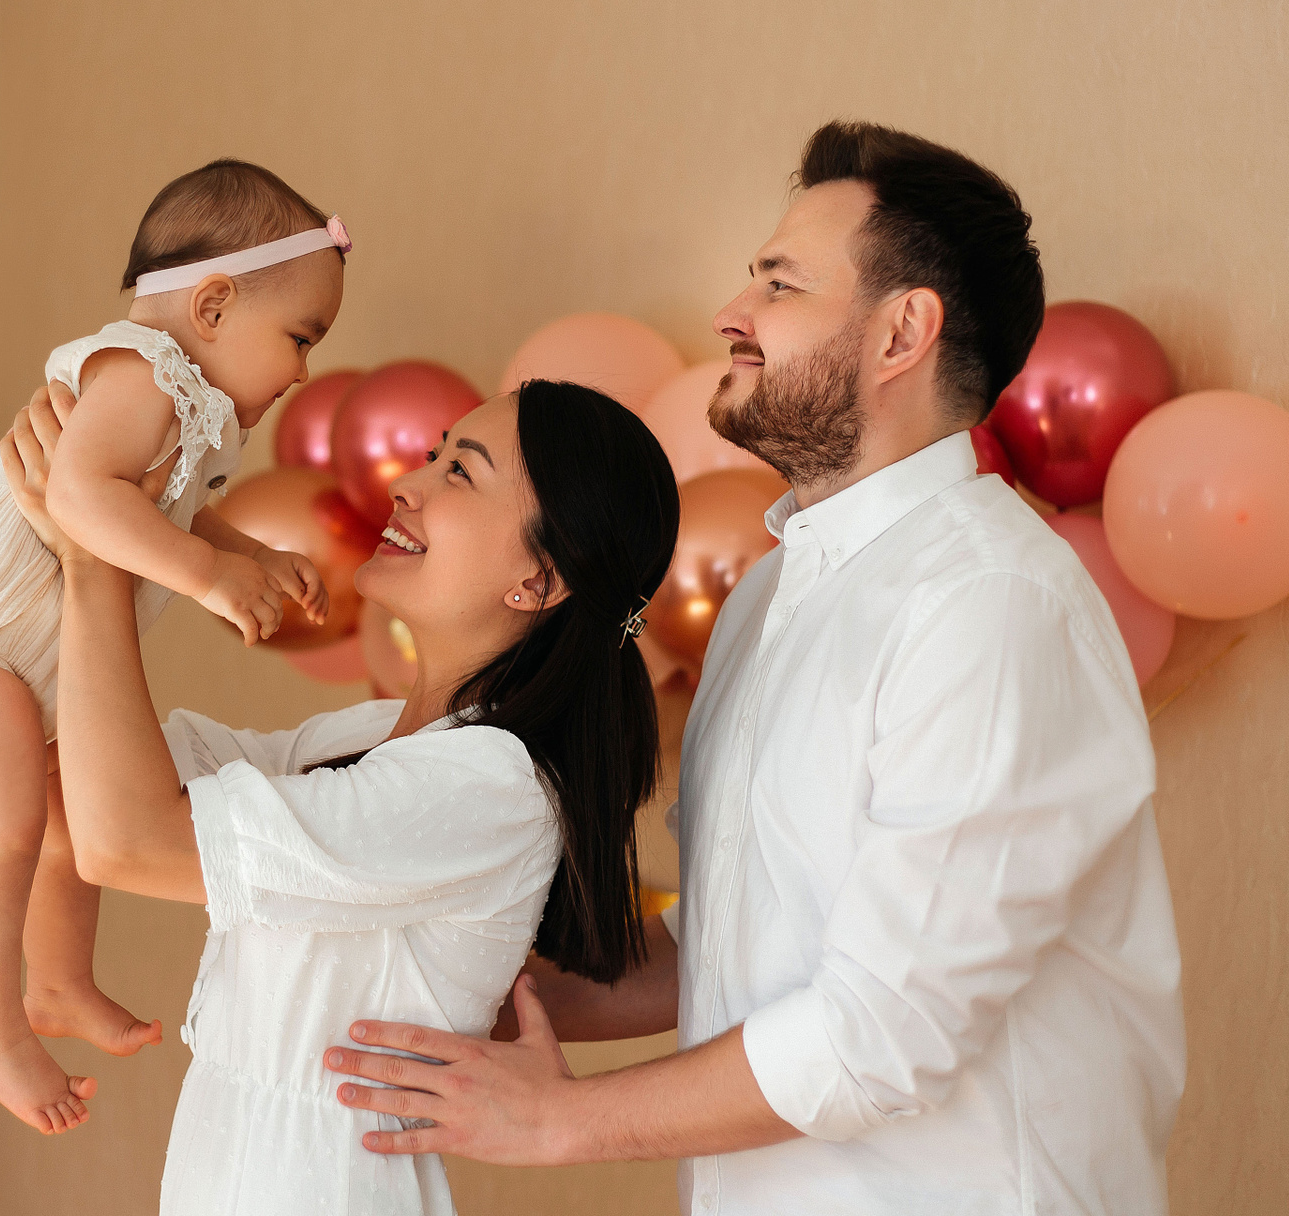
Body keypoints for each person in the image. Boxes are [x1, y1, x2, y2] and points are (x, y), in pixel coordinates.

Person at [323, 122, 1186, 1216]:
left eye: (779, 284)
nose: (733, 312)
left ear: (903, 331)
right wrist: (472, 979)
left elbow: (884, 1030)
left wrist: (552, 1119)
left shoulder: (992, 603)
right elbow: (728, 943)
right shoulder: (769, 598)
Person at [1, 377, 680, 1213]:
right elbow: (81, 781)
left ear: (538, 580)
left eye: (459, 472)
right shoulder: (370, 741)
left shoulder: (485, 786)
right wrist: (106, 504)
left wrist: (94, 554)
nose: (407, 483)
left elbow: (129, 840)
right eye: (432, 454)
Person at [0, 159, 345, 1133]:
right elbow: (80, 496)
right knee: (0, 839)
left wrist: (252, 555)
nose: (302, 372)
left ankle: (58, 984)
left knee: (66, 825)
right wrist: (208, 577)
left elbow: (164, 509)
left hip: (13, 662)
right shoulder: (141, 370)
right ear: (212, 305)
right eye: (300, 337)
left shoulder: (183, 410)